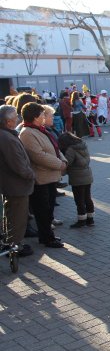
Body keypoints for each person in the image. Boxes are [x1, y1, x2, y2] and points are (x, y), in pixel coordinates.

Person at [19, 102, 68, 249]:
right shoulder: (27, 132)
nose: (44, 116)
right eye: (42, 114)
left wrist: (63, 160)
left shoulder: (40, 130)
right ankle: (47, 238)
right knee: (43, 211)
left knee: (49, 209)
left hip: (50, 177)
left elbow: (54, 148)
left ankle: (47, 236)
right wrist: (60, 164)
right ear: (35, 117)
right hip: (41, 179)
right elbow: (38, 155)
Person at [0, 105, 35, 257]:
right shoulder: (7, 138)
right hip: (16, 185)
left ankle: (13, 244)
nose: (18, 120)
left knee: (14, 216)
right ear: (8, 122)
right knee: (17, 217)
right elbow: (18, 165)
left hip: (13, 184)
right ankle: (14, 247)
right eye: (15, 118)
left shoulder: (7, 135)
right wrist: (32, 175)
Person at [58, 132, 95, 228]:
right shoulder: (83, 145)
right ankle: (90, 219)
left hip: (77, 177)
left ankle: (81, 220)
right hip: (87, 174)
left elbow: (67, 162)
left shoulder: (70, 149)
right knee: (87, 198)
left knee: (79, 200)